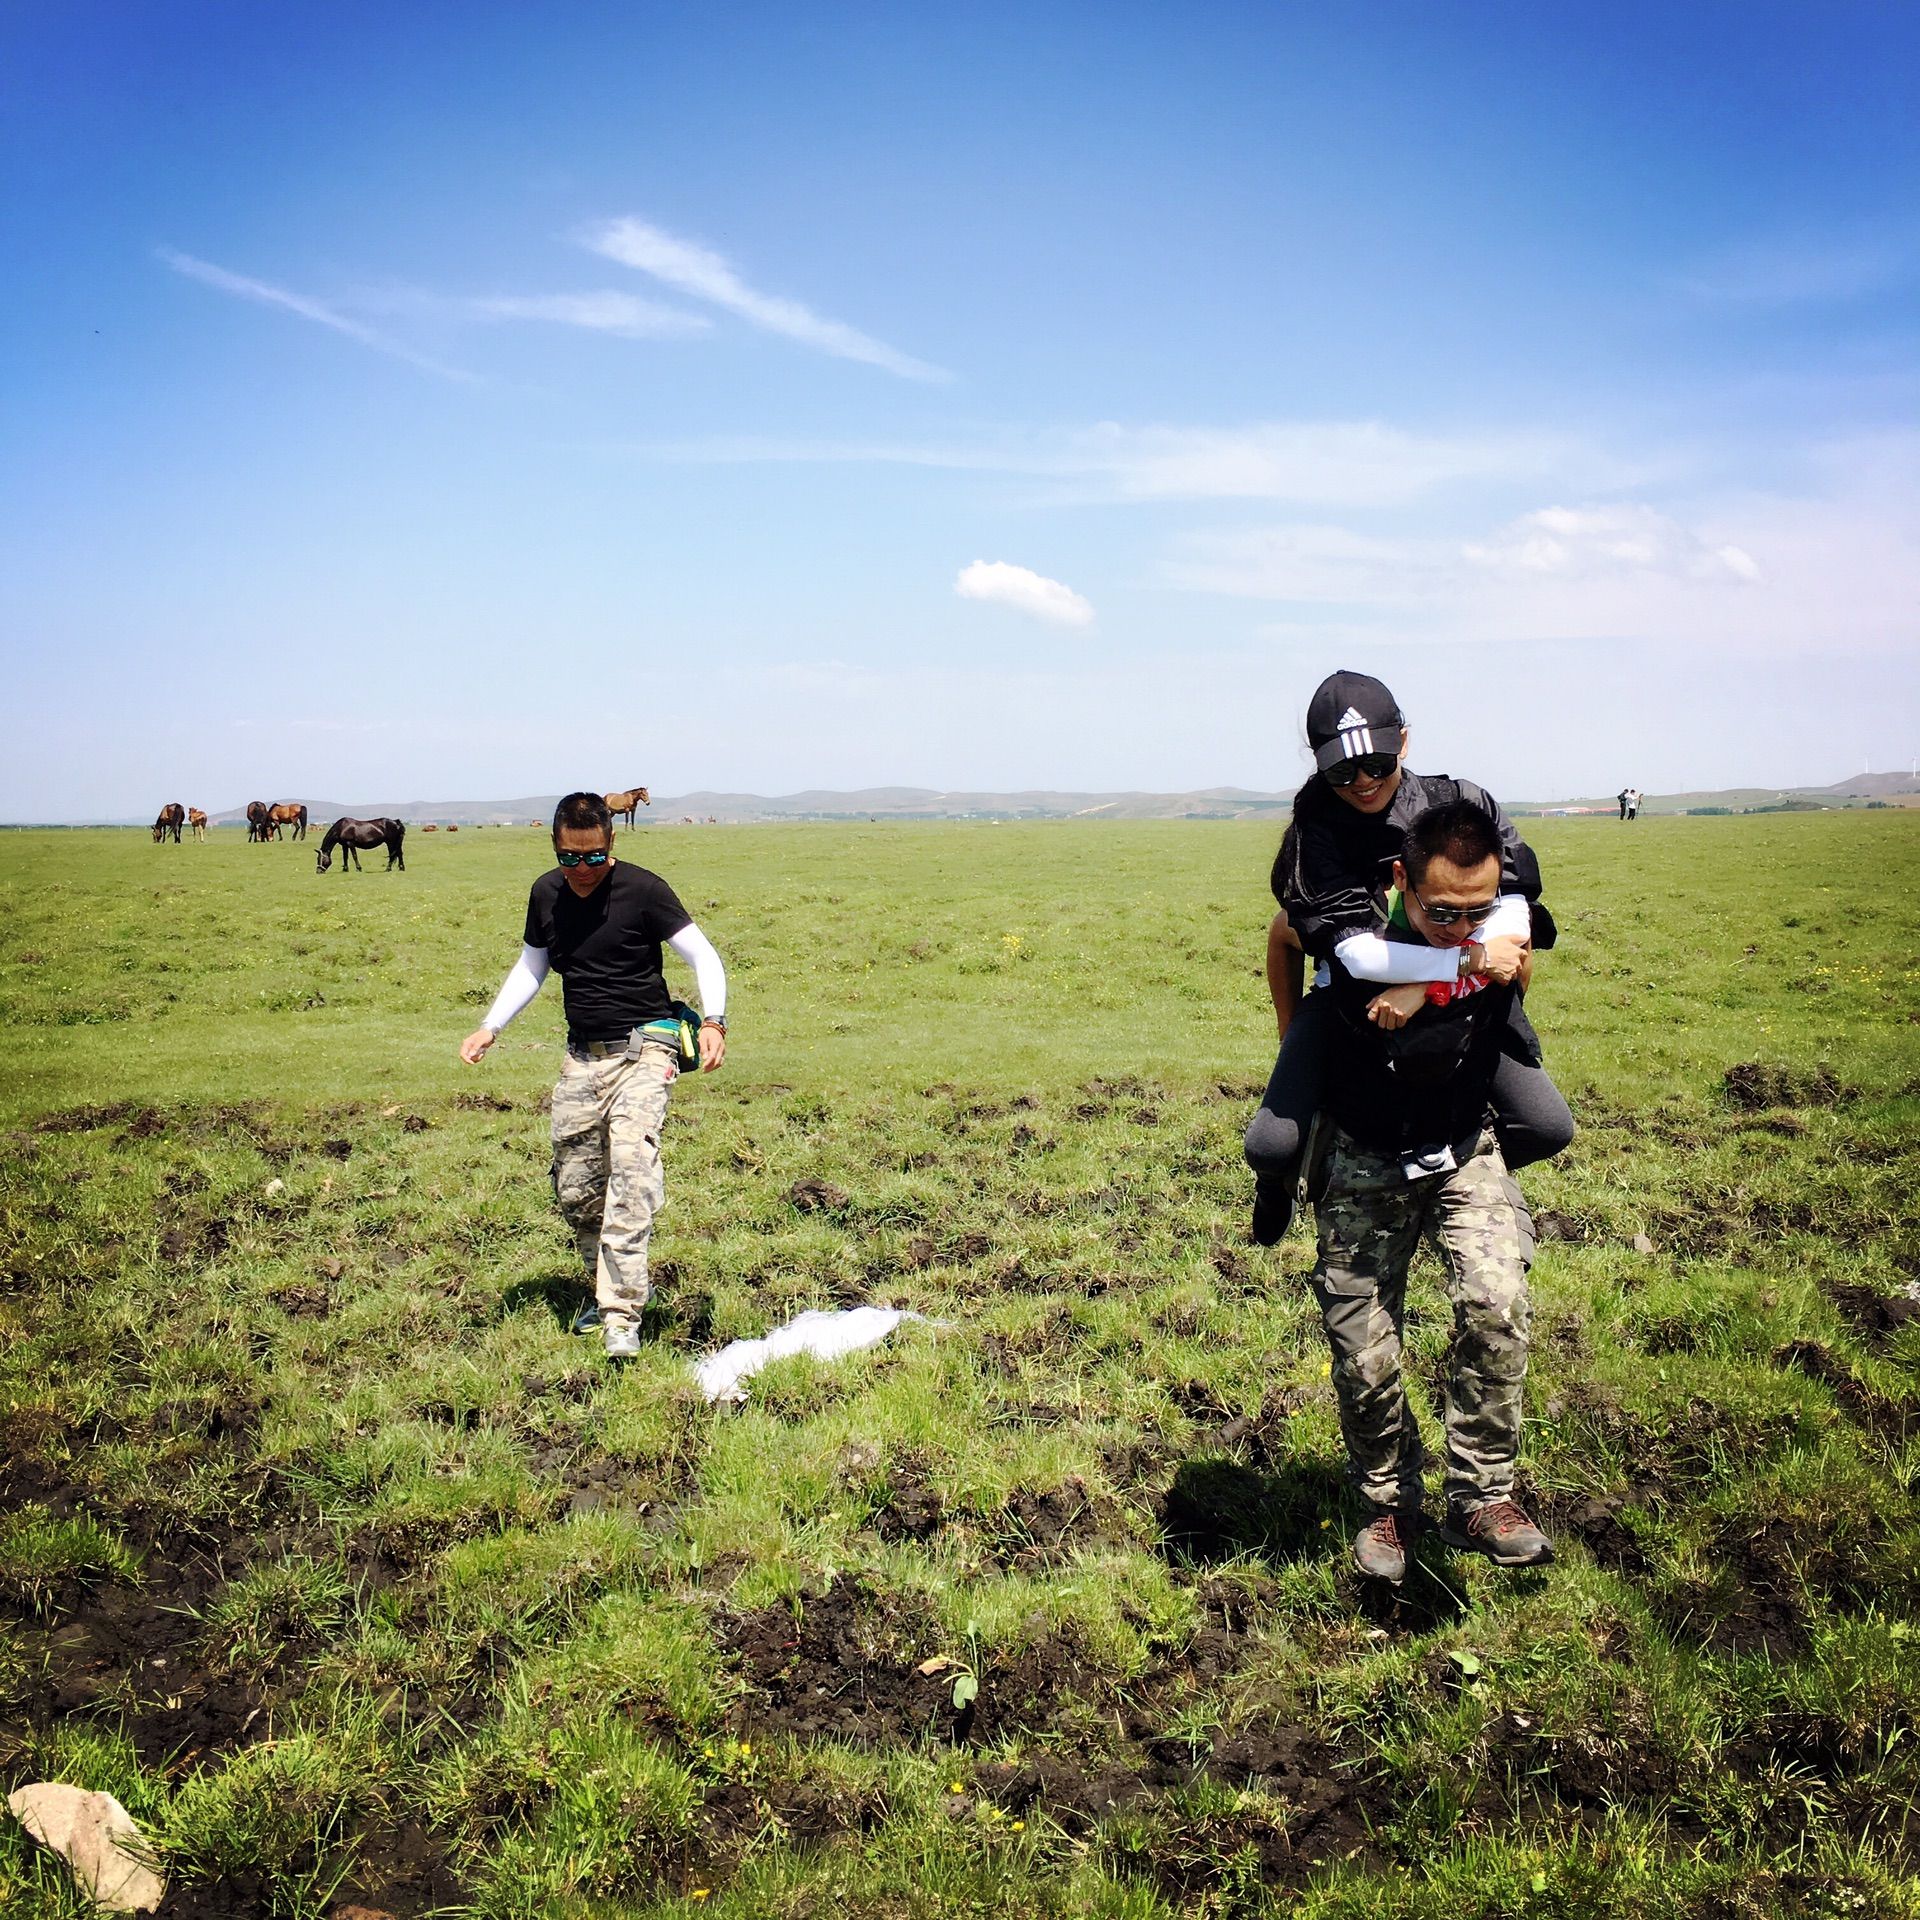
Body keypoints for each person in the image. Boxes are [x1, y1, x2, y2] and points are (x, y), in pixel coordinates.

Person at [1310, 799, 1554, 1580]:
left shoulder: (1491, 933)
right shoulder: (1354, 952)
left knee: (1496, 1302)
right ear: (1399, 884)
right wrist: (1455, 969)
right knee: (1363, 1350)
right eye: (1442, 911)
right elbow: (1345, 964)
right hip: (1367, 1155)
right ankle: (1392, 1506)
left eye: (1476, 910)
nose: (1459, 926)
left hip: (1461, 1147)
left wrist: (1466, 959)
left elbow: (1515, 952)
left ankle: (1481, 1498)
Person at [1243, 670, 1572, 1246]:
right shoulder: (1315, 835)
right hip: (1354, 1001)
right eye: (1342, 771)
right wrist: (1465, 963)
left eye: (1378, 763)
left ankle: (1453, 1179)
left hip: (1463, 999)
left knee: (1546, 1126)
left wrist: (1441, 981)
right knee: (1270, 1144)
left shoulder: (1461, 805)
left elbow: (1517, 904)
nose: (1363, 781)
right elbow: (1354, 955)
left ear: (1404, 742)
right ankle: (1292, 1180)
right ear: (1318, 763)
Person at [460, 792, 728, 1361]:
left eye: (594, 857)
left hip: (646, 1049)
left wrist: (714, 1022)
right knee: (577, 1190)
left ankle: (621, 1318)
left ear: (612, 843)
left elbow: (704, 956)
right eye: (569, 858)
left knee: (631, 1176)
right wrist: (491, 1026)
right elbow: (533, 965)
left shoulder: (644, 890)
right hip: (582, 1056)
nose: (582, 870)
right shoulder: (546, 894)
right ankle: (606, 1286)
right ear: (555, 847)